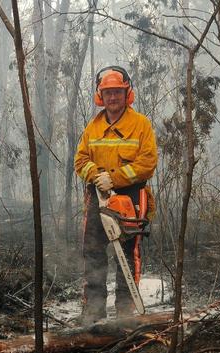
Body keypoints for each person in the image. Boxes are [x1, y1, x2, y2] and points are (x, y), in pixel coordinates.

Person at [73, 66, 158, 324]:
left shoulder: (140, 124)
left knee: (128, 253)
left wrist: (116, 177)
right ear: (101, 95)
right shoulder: (94, 126)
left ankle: (124, 309)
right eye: (108, 93)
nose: (113, 98)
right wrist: (95, 173)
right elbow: (80, 159)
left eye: (117, 92)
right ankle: (94, 308)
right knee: (93, 251)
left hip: (130, 196)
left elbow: (147, 162)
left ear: (126, 93)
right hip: (98, 197)